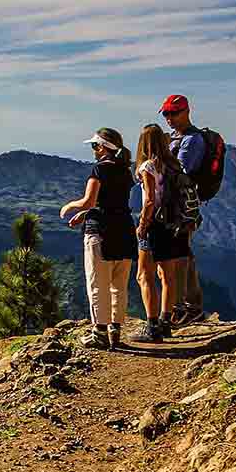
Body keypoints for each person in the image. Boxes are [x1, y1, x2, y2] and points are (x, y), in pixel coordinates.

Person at [60, 128, 137, 349]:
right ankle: (115, 330)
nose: (93, 150)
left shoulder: (99, 169)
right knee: (119, 285)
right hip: (124, 230)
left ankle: (99, 333)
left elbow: (89, 201)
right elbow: (113, 204)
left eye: (95, 146)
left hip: (101, 233)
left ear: (103, 147)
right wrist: (86, 213)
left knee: (97, 284)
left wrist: (70, 206)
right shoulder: (124, 170)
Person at [134, 123, 189, 343]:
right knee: (167, 276)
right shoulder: (174, 164)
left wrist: (142, 224)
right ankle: (166, 323)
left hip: (155, 225)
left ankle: (152, 326)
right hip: (174, 224)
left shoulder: (148, 166)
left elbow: (149, 199)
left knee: (144, 275)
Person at [159, 94, 205, 324]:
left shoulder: (191, 140)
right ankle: (184, 306)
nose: (169, 118)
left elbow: (183, 172)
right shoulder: (177, 138)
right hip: (175, 207)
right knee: (181, 254)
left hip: (182, 208)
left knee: (182, 255)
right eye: (166, 113)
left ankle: (189, 307)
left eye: (173, 113)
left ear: (186, 111)